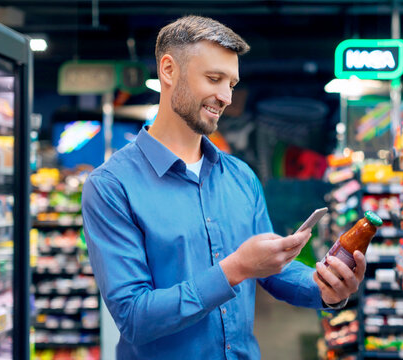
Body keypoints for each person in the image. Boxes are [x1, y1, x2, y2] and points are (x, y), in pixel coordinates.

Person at [81, 15, 366, 359]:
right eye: (214, 79)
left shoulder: (241, 176)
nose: (226, 97)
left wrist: (324, 288)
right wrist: (235, 269)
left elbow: (273, 270)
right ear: (169, 70)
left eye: (231, 83)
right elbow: (134, 318)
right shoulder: (111, 186)